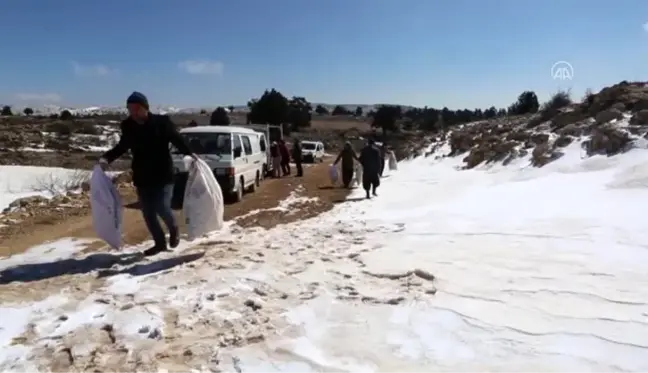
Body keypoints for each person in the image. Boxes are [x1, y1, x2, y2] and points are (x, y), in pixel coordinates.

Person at [99, 91, 196, 257]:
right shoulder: (128, 126)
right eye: (130, 109)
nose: (133, 112)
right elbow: (123, 146)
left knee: (162, 206)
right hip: (142, 176)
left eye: (136, 108)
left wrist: (189, 153)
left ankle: (173, 228)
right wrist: (106, 158)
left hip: (163, 174)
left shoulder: (161, 122)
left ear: (145, 108)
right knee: (148, 212)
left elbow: (177, 139)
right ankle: (159, 243)